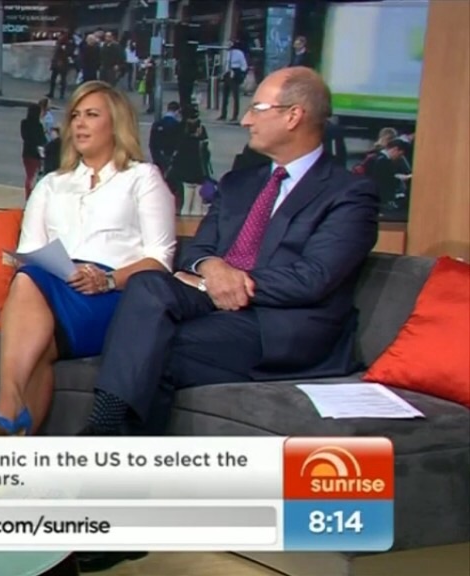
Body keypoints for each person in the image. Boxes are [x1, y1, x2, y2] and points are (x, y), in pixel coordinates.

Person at [72, 65, 380, 576]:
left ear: (294, 115)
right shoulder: (240, 183)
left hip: (280, 325)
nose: (245, 119)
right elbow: (199, 252)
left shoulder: (349, 193)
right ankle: (109, 446)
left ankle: (109, 470)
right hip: (213, 301)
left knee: (154, 351)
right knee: (147, 285)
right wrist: (213, 271)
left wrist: (235, 281)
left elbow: (314, 279)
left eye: (257, 108)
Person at [0, 81, 177, 436]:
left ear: (115, 123)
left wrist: (108, 279)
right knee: (31, 301)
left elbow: (160, 261)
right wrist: (65, 271)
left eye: (91, 115)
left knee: (29, 288)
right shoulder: (51, 184)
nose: (79, 124)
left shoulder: (142, 178)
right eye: (75, 116)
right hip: (53, 285)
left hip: (115, 296)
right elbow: (29, 254)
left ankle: (6, 409)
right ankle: (12, 435)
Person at [20, 103, 47, 199]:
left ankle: (28, 195)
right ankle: (32, 195)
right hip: (36, 154)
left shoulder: (24, 123)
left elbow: (24, 136)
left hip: (26, 152)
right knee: (35, 175)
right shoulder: (38, 125)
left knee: (29, 175)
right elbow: (42, 140)